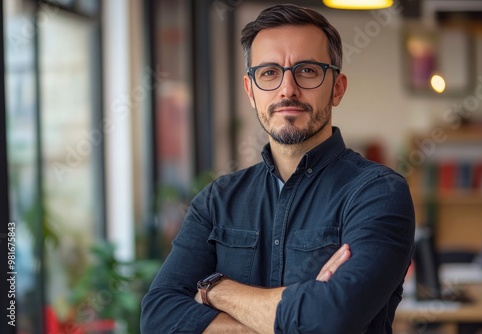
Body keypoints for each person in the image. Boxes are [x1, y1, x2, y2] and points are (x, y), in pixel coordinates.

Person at [141, 4, 415, 333]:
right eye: (269, 72)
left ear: (337, 87)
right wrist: (296, 315)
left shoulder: (378, 193)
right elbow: (158, 317)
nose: (287, 89)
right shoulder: (217, 201)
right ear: (250, 91)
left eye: (307, 70)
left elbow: (332, 319)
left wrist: (215, 289)